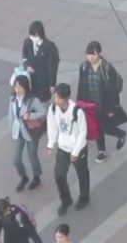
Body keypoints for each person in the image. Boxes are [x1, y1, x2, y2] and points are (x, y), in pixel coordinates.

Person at [76, 41, 127, 163]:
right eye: (88, 54)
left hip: (103, 104)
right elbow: (81, 85)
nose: (90, 57)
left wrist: (111, 108)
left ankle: (120, 134)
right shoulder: (84, 67)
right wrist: (79, 103)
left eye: (93, 54)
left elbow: (112, 90)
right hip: (90, 104)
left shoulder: (107, 68)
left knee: (106, 127)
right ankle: (102, 151)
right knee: (97, 128)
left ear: (99, 54)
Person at [45, 83, 90, 216]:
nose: (54, 99)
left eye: (57, 97)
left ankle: (84, 197)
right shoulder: (53, 109)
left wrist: (76, 152)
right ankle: (66, 199)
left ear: (64, 98)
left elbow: (83, 132)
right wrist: (50, 144)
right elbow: (52, 126)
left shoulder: (77, 111)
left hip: (78, 148)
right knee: (59, 174)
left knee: (82, 174)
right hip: (63, 147)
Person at [10, 75, 46, 192]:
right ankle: (24, 177)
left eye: (20, 87)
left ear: (26, 87)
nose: (18, 90)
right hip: (19, 132)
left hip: (31, 132)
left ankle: (36, 177)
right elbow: (11, 116)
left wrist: (30, 116)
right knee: (16, 159)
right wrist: (12, 129)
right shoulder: (13, 100)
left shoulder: (32, 100)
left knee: (32, 156)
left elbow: (43, 111)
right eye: (16, 87)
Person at [21, 21, 60, 103]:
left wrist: (52, 84)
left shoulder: (49, 47)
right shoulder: (27, 42)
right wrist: (27, 66)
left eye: (34, 35)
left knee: (42, 104)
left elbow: (52, 67)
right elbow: (24, 57)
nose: (32, 37)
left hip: (43, 83)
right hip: (31, 81)